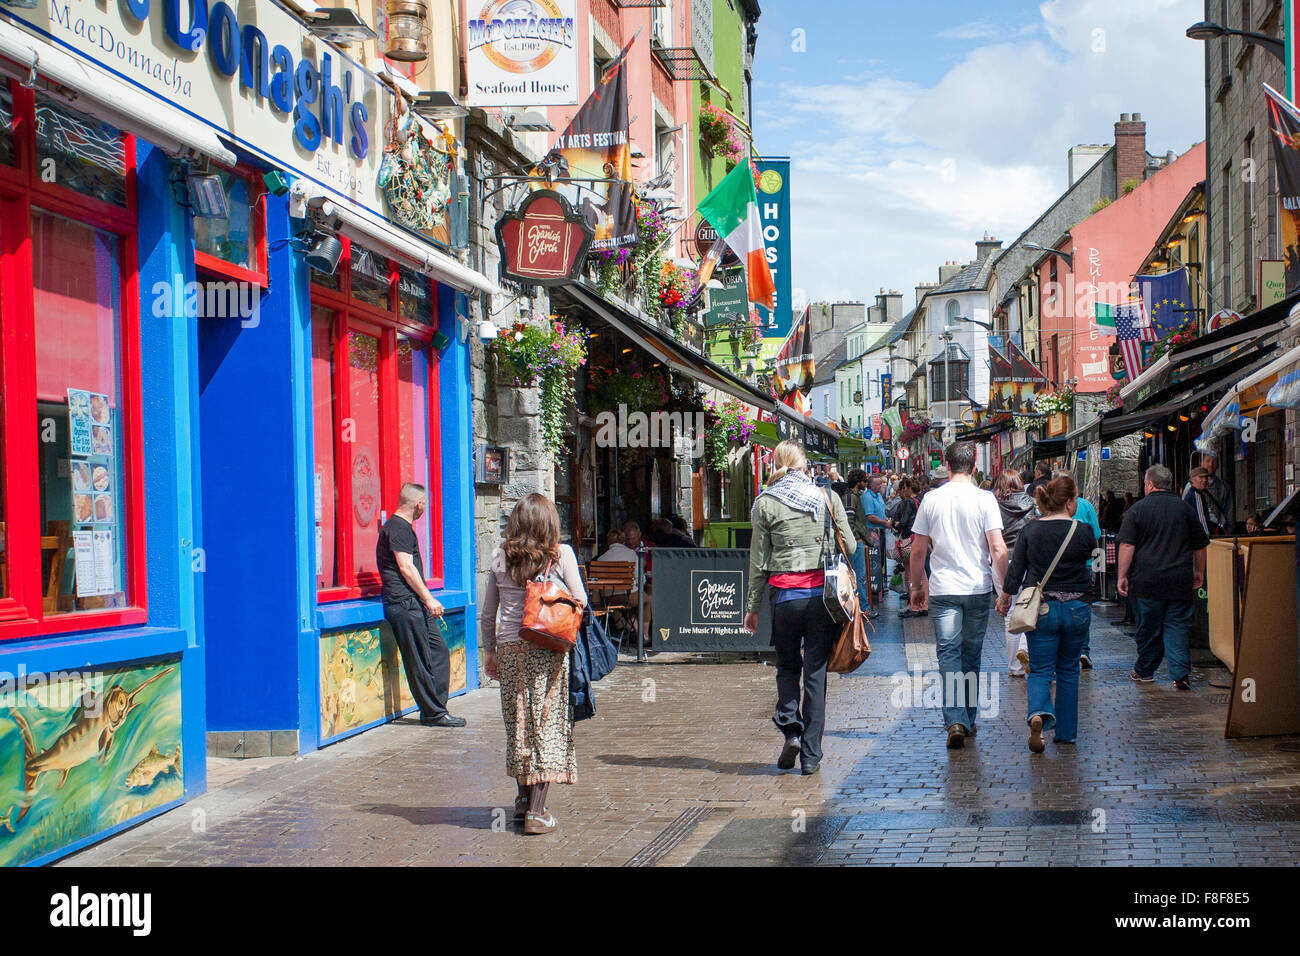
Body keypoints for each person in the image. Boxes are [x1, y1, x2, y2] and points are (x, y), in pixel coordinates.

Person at [744, 440, 856, 776]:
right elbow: (849, 544)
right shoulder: (826, 497)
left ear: (775, 464)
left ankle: (791, 728)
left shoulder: (765, 503)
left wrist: (752, 607)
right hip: (821, 599)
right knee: (816, 673)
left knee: (787, 667)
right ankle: (811, 755)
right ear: (805, 465)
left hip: (784, 599)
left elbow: (758, 562)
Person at [481, 493, 586, 834]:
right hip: (547, 649)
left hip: (510, 647)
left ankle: (522, 803)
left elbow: (488, 613)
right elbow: (580, 600)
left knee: (518, 724)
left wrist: (490, 651)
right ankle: (537, 814)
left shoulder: (500, 556)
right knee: (547, 727)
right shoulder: (560, 554)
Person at [908, 442, 1008, 748]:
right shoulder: (985, 499)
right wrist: (1004, 591)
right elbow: (998, 548)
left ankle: (955, 719)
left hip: (943, 589)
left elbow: (917, 550)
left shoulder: (931, 499)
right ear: (974, 465)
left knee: (948, 654)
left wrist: (916, 587)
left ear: (947, 465)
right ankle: (969, 718)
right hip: (977, 587)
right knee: (971, 655)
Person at [996, 473, 1098, 753]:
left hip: (1042, 608)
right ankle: (1065, 733)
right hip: (1077, 607)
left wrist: (1006, 597)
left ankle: (1038, 714)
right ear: (1069, 502)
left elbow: (1017, 569)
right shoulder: (1082, 530)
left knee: (1040, 668)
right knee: (1068, 669)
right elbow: (1091, 556)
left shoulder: (1031, 530)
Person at [378, 482, 464, 728]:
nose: (424, 509)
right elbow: (406, 567)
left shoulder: (400, 528)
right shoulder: (398, 528)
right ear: (418, 505)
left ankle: (436, 710)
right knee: (419, 660)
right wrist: (429, 598)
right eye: (424, 505)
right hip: (404, 603)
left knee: (438, 653)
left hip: (413, 603)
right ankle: (434, 714)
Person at [1117, 465, 1210, 690]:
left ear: (1149, 484)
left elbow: (1128, 545)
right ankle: (1180, 674)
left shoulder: (1136, 511)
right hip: (1179, 579)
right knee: (1177, 626)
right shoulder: (1185, 509)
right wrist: (1199, 572)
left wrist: (1122, 575)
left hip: (1147, 581)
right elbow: (1200, 545)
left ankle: (1145, 670)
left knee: (1148, 627)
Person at [993, 470, 1036, 677]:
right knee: (1028, 607)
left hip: (1001, 559)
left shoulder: (993, 505)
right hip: (1027, 559)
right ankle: (1024, 649)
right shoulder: (1032, 502)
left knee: (1008, 611)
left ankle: (1015, 667)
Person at [843, 469, 872, 615]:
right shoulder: (850, 497)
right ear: (858, 481)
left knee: (858, 576)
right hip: (855, 542)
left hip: (855, 541)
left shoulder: (852, 496)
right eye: (864, 481)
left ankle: (861, 607)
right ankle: (863, 608)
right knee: (858, 576)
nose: (866, 483)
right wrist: (857, 538)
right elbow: (849, 521)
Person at [860, 475, 889, 617]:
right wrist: (884, 523)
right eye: (878, 485)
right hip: (872, 533)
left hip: (880, 531)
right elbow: (869, 516)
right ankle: (872, 589)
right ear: (871, 486)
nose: (880, 487)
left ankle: (878, 588)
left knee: (880, 560)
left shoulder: (877, 496)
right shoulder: (867, 497)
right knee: (874, 562)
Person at [892, 478, 922, 618]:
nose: (901, 492)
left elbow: (903, 522)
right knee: (920, 574)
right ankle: (921, 604)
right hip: (916, 538)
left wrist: (896, 524)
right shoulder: (918, 501)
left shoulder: (910, 502)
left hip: (908, 539)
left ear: (908, 488)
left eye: (903, 488)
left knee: (911, 574)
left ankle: (914, 604)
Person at [1183, 466, 1213, 538]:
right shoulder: (1196, 495)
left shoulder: (1192, 493)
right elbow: (1201, 518)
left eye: (1206, 477)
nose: (1205, 480)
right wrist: (1207, 535)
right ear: (1193, 480)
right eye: (1201, 477)